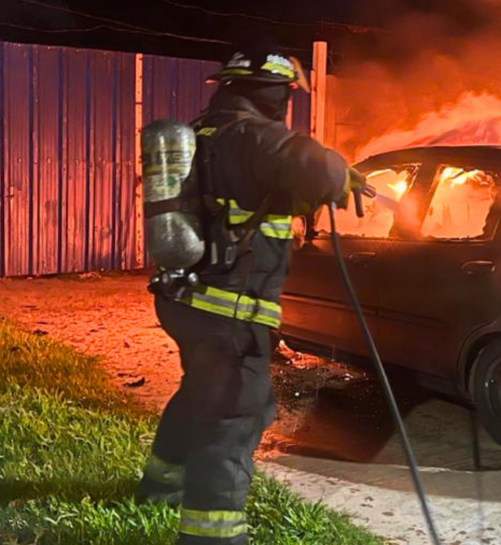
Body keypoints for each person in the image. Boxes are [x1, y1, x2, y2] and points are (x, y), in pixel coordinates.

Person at [136, 39, 358, 545]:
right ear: (274, 93)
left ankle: (159, 485)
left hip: (183, 299)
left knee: (202, 393)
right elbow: (317, 166)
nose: (285, 105)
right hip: (228, 310)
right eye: (284, 96)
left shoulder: (200, 130)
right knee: (237, 412)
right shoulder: (257, 136)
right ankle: (212, 536)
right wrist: (342, 174)